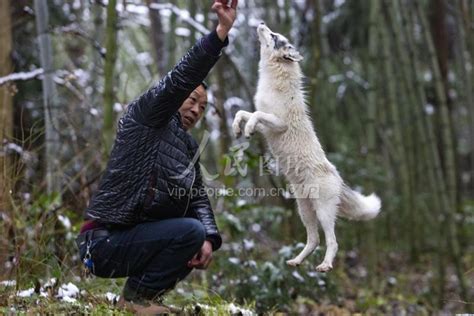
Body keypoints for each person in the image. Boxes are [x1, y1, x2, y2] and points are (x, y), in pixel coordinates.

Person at [76, 1, 238, 313]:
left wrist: (210, 239)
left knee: (196, 231)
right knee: (190, 230)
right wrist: (219, 34)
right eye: (192, 100)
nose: (195, 110)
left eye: (203, 108)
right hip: (101, 242)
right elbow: (180, 78)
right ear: (178, 97)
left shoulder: (188, 147)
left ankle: (138, 300)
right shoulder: (147, 117)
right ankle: (137, 300)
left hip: (135, 240)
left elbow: (199, 199)